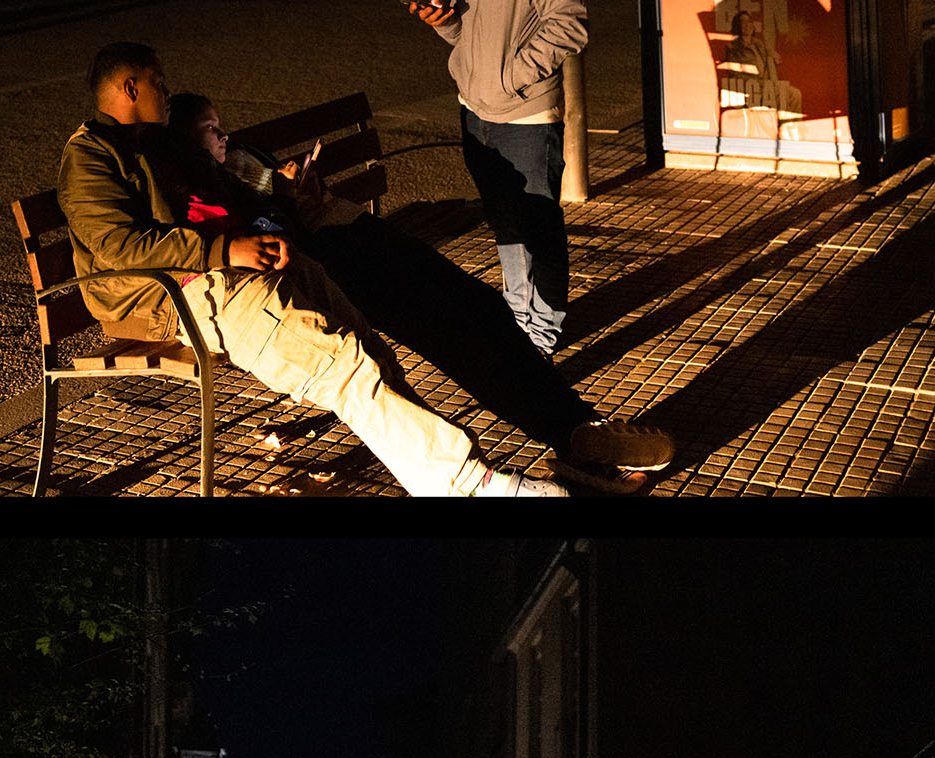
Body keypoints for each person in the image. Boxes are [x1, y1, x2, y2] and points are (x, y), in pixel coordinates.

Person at [58, 43, 563, 497]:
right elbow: (120, 248)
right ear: (129, 88)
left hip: (223, 266)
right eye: (158, 81)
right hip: (174, 293)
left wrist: (270, 205)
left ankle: (449, 477)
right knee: (339, 364)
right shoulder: (91, 156)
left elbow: (222, 191)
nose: (166, 91)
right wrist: (228, 250)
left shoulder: (158, 141)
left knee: (365, 344)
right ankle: (466, 484)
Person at [170, 91, 671, 493]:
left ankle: (578, 429)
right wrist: (280, 204)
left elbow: (274, 202)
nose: (225, 136)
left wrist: (289, 188)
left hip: (341, 235)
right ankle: (569, 436)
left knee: (475, 305)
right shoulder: (191, 180)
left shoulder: (235, 161)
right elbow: (239, 236)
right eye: (210, 131)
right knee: (447, 324)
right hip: (316, 261)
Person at [408, 0, 586, 357]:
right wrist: (445, 23)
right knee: (505, 224)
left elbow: (569, 23)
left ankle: (542, 335)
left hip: (526, 116)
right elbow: (470, 32)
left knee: (538, 226)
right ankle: (518, 319)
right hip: (475, 110)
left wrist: (513, 74)